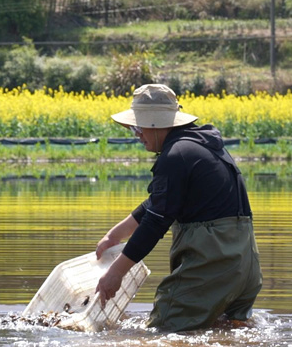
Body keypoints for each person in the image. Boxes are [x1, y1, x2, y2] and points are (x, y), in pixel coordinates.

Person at [94, 84, 262, 332]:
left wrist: (116, 272)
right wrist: (114, 236)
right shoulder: (200, 145)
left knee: (163, 331)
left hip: (213, 265)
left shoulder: (175, 155)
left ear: (155, 123)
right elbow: (159, 204)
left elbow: (156, 221)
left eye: (138, 128)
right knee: (226, 333)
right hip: (244, 266)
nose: (137, 134)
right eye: (133, 128)